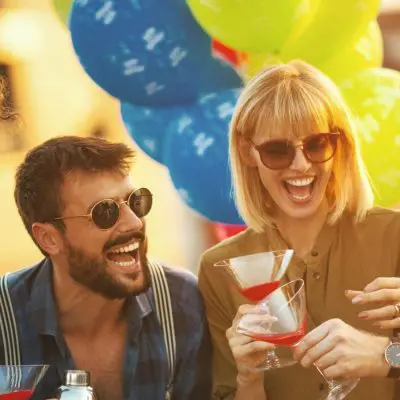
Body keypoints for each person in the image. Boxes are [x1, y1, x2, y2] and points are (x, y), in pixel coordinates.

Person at [198, 60, 400, 400]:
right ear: (248, 152)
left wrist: (385, 356)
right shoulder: (220, 270)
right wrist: (248, 377)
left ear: (340, 147)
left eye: (317, 144)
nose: (301, 165)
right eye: (277, 150)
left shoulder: (393, 236)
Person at [5, 135, 212, 400]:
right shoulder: (5, 319)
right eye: (105, 212)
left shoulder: (181, 301)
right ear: (49, 238)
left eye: (136, 201)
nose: (135, 223)